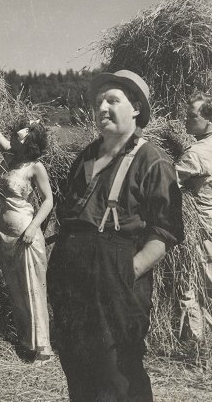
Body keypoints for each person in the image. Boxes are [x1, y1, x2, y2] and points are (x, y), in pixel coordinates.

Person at [48, 70, 183, 402]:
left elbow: (164, 233)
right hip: (73, 274)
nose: (102, 108)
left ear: (135, 108)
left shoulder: (153, 161)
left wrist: (128, 272)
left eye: (112, 100)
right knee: (77, 364)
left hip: (117, 280)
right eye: (98, 103)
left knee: (117, 373)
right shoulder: (86, 156)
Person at [0, 106, 54, 364]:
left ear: (29, 143)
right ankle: (27, 342)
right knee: (16, 289)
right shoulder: (10, 156)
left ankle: (43, 349)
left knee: (33, 288)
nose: (11, 138)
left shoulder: (35, 167)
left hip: (26, 236)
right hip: (4, 234)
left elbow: (48, 200)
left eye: (16, 136)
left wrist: (33, 228)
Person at [175, 93, 212, 339]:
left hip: (201, 228)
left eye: (192, 116)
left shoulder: (195, 154)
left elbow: (167, 181)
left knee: (191, 282)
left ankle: (196, 340)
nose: (185, 121)